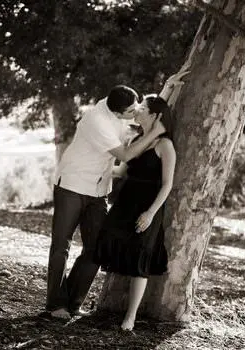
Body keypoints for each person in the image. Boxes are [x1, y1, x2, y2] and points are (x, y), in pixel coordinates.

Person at [44, 85, 166, 320]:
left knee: (96, 248)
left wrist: (168, 87)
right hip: (72, 185)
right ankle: (55, 305)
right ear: (118, 113)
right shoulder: (97, 121)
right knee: (61, 246)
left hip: (99, 191)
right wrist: (153, 133)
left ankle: (72, 301)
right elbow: (125, 156)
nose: (136, 112)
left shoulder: (119, 103)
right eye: (131, 111)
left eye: (136, 105)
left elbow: (146, 108)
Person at [94, 95, 176, 331]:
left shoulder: (165, 145)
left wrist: (151, 213)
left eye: (142, 109)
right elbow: (122, 171)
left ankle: (130, 317)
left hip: (148, 206)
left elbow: (167, 184)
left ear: (155, 116)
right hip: (126, 202)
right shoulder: (138, 139)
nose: (137, 112)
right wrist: (97, 167)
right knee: (108, 237)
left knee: (140, 256)